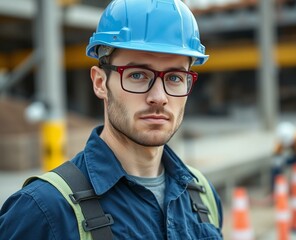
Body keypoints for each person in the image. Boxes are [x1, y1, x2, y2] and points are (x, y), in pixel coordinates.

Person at [0, 0, 223, 239]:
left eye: (175, 78)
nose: (159, 97)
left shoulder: (202, 194)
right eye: (137, 75)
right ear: (100, 83)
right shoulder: (43, 211)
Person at [270, 122, 296, 192]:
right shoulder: (280, 140)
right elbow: (277, 153)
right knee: (276, 168)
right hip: (294, 156)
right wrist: (277, 163)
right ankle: (275, 189)